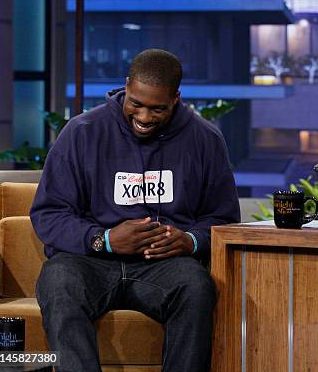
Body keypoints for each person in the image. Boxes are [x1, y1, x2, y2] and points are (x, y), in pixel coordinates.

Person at [30, 49, 240, 371]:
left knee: (196, 288)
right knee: (58, 282)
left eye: (158, 109)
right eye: (136, 104)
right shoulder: (82, 132)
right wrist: (105, 239)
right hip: (90, 262)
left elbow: (223, 218)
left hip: (165, 267)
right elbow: (49, 212)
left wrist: (191, 240)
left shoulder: (205, 139)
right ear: (126, 86)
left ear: (176, 98)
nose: (144, 117)